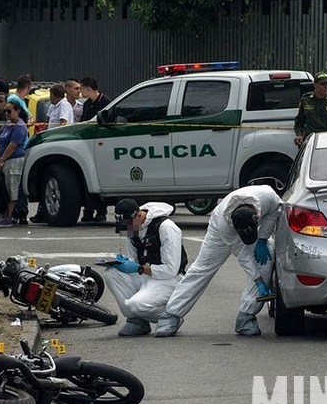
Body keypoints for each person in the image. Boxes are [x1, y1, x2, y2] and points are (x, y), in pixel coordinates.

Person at [156, 184, 281, 337]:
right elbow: (243, 255)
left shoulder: (268, 196)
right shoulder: (225, 225)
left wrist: (262, 239)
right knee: (202, 268)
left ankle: (246, 316)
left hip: (256, 228)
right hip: (219, 230)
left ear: (256, 217)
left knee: (265, 260)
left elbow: (273, 213)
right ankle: (171, 314)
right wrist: (259, 281)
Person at [103, 198, 188, 336]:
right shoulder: (132, 228)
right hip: (147, 275)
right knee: (111, 273)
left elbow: (171, 270)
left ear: (139, 215)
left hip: (169, 280)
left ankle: (170, 317)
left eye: (128, 226)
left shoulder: (166, 227)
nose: (127, 230)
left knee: (135, 304)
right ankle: (137, 321)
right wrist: (124, 264)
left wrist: (138, 268)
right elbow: (133, 260)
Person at [0, 100, 28, 227]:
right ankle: (4, 215)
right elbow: (0, 141)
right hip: (4, 160)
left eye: (9, 111)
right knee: (4, 188)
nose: (7, 113)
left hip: (14, 160)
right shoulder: (8, 124)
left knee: (13, 188)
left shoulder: (19, 126)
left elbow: (13, 145)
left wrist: (2, 159)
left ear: (17, 111)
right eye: (6, 111)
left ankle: (9, 217)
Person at [79, 77, 111, 222]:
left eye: (82, 89)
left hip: (101, 144)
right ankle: (88, 210)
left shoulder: (106, 103)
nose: (80, 92)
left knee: (99, 179)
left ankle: (101, 211)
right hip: (87, 145)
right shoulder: (86, 105)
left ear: (89, 89)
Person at [293, 72, 327, 147]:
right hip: (310, 140)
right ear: (315, 85)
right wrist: (299, 135)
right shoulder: (306, 100)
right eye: (322, 84)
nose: (326, 86)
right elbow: (299, 122)